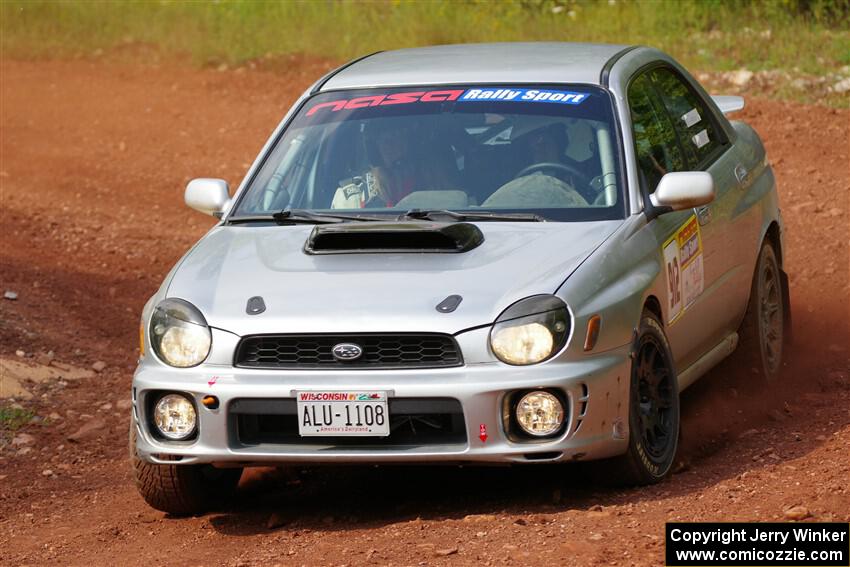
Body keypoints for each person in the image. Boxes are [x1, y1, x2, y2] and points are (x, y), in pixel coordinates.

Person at [331, 120, 458, 209]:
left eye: (400, 137)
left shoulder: (434, 181)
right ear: (375, 151)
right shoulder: (356, 195)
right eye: (386, 141)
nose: (394, 146)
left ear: (413, 143)